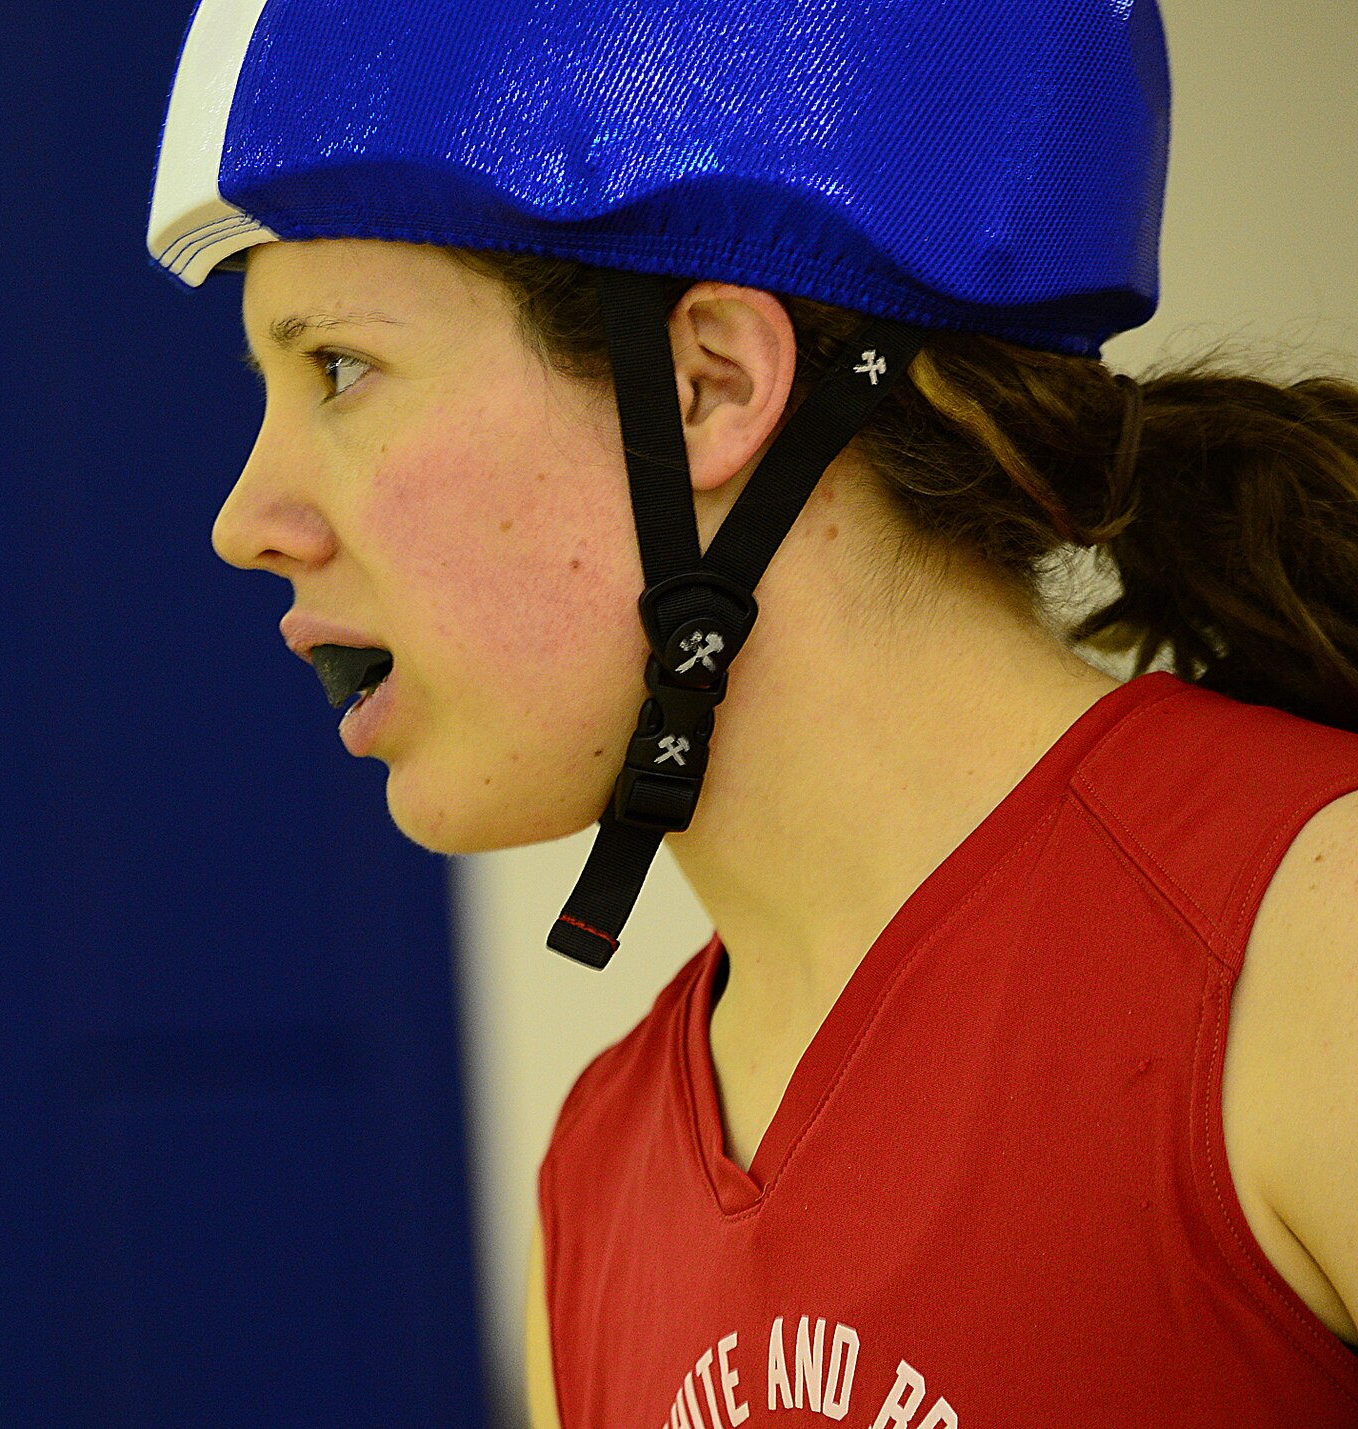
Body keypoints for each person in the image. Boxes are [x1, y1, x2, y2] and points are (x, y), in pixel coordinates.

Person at [147, 1, 1358, 1423]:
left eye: (337, 368)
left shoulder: (1301, 954)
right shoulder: (598, 1187)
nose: (246, 520)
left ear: (710, 381)